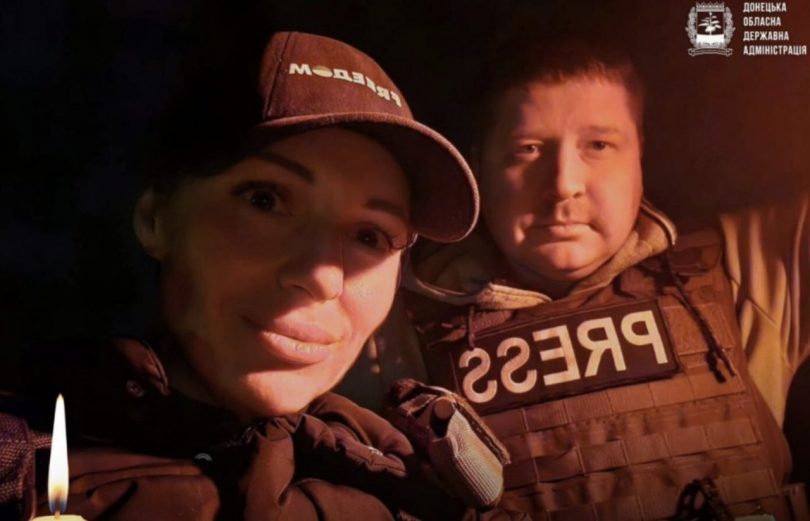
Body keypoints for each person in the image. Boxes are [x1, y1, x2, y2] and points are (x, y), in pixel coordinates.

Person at [0, 31, 514, 521]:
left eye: (370, 235)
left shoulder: (414, 484)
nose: (323, 277)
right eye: (265, 200)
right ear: (157, 219)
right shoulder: (20, 471)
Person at [343, 34, 810, 519]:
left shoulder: (744, 267)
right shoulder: (384, 318)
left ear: (639, 153)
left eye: (599, 145)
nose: (564, 184)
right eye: (527, 149)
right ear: (480, 165)